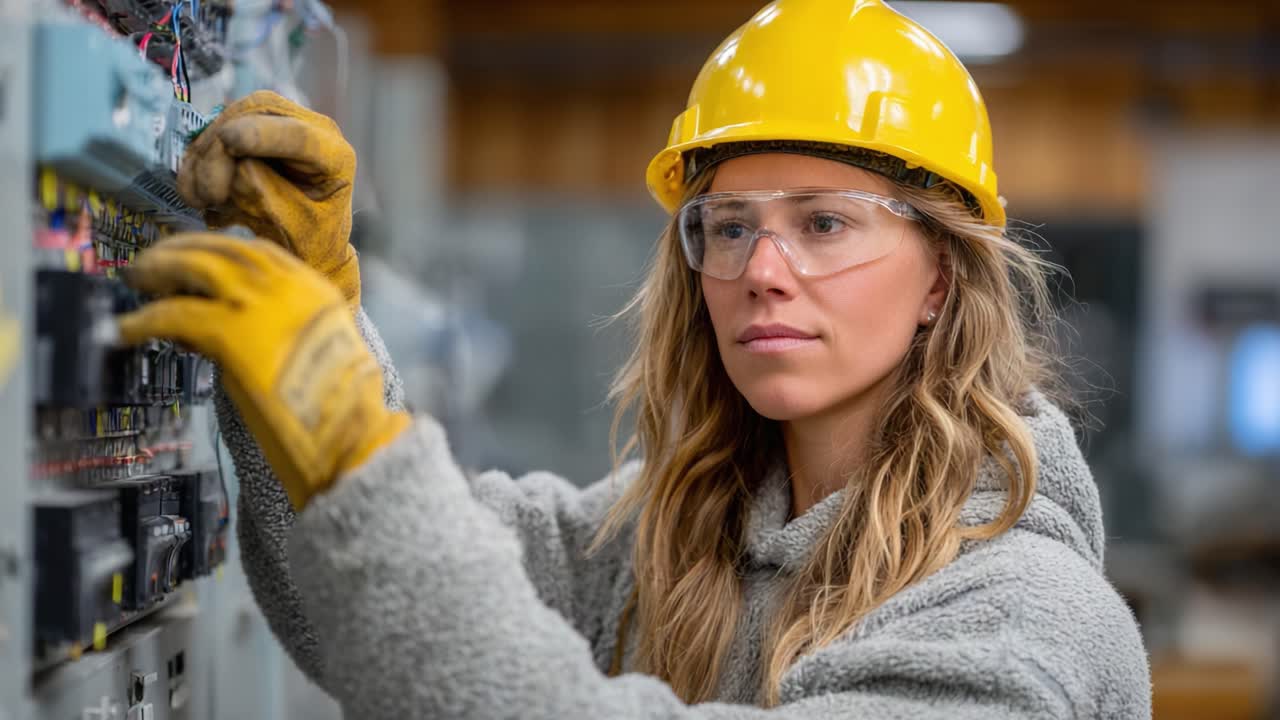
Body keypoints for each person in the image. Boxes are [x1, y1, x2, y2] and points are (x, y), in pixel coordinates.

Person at [118, 0, 1152, 716]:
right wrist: (319, 314)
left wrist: (355, 454)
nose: (763, 269)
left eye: (825, 225)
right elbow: (361, 603)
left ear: (938, 278)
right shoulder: (672, 543)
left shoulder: (1023, 620)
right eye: (729, 225)